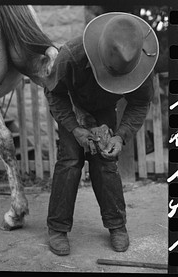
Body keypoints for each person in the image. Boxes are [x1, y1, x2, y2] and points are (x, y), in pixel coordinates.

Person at [44, 12, 159, 256]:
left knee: (106, 161)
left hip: (104, 109)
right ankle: (57, 228)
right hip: (73, 107)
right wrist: (75, 129)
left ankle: (117, 226)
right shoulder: (71, 55)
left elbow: (139, 103)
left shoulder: (138, 61)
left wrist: (120, 136)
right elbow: (54, 93)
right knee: (70, 160)